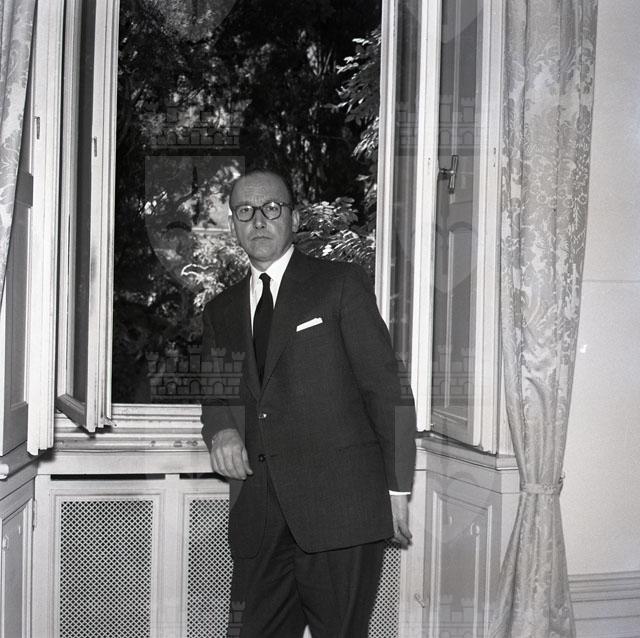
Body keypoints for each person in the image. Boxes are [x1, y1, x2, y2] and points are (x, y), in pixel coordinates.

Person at [200, 169, 416, 637]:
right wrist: (221, 430)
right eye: (245, 211)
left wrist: (398, 490)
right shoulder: (220, 311)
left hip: (341, 512)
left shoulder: (339, 284)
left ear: (294, 218)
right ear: (233, 225)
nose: (258, 220)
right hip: (260, 516)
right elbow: (216, 393)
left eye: (271, 208)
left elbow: (389, 389)